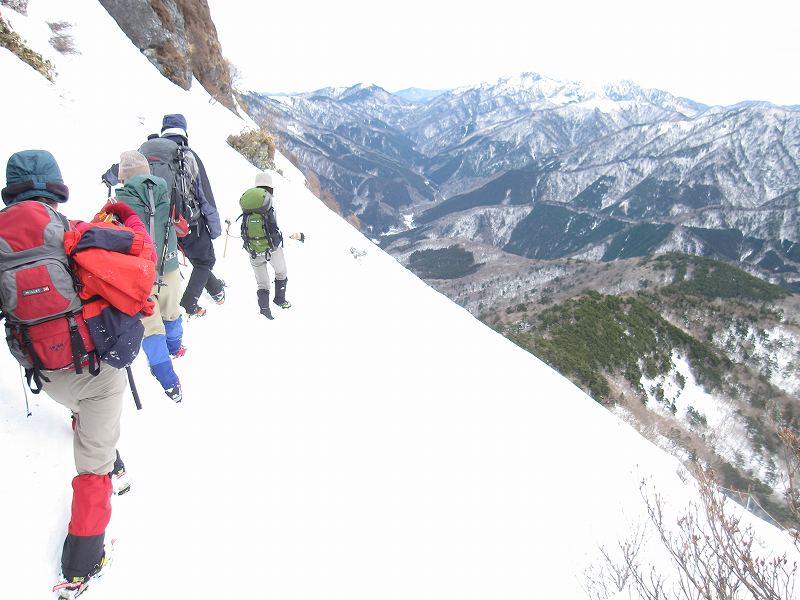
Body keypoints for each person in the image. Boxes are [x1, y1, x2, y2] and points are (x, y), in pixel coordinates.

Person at [0, 150, 152, 597]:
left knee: (84, 411)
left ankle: (99, 442)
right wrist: (123, 214)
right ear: (54, 186)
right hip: (92, 373)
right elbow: (136, 265)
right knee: (93, 464)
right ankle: (82, 562)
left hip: (42, 374)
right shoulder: (72, 233)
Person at [113, 150, 185, 402]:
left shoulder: (118, 203)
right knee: (172, 310)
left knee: (151, 326)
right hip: (171, 265)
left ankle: (168, 379)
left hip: (140, 273)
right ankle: (175, 348)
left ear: (123, 177)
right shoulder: (166, 192)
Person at [144, 113, 224, 317]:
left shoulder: (144, 152)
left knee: (198, 260)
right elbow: (205, 196)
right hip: (185, 224)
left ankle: (216, 290)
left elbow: (122, 171)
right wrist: (215, 230)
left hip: (152, 223)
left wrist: (108, 177)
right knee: (205, 261)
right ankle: (189, 303)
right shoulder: (187, 155)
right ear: (184, 132)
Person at [242, 171, 292, 319]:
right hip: (272, 249)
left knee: (262, 283)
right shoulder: (270, 201)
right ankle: (280, 300)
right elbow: (277, 224)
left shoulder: (248, 201)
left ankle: (264, 310)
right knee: (281, 272)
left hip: (253, 249)